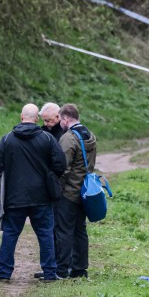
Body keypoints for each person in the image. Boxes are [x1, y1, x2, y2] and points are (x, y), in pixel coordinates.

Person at [0, 103, 66, 282]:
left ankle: (4, 273)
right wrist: (48, 175)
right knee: (45, 234)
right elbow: (60, 164)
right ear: (37, 118)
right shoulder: (47, 138)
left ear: (21, 117)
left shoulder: (7, 139)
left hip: (14, 196)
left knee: (10, 234)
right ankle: (49, 273)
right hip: (42, 196)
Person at [55, 103, 97, 279]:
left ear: (65, 118)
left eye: (60, 119)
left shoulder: (68, 138)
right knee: (80, 230)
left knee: (63, 230)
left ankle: (62, 270)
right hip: (85, 192)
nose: (59, 123)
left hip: (69, 192)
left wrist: (56, 188)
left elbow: (62, 167)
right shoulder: (90, 135)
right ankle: (80, 269)